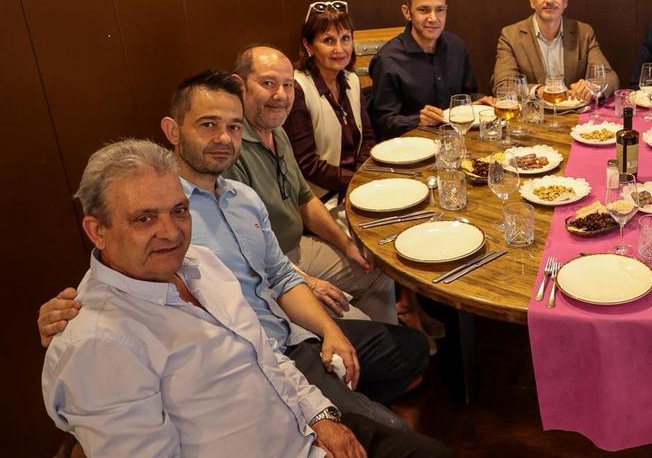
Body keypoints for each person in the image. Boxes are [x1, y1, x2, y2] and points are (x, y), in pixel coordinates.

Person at [43, 139, 453, 458]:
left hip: (298, 444)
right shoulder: (98, 344)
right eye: (144, 218)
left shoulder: (201, 265)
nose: (171, 232)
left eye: (179, 210)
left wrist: (321, 416)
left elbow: (267, 356)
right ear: (97, 230)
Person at [39, 71, 427, 431]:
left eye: (234, 127)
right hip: (256, 361)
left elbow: (280, 275)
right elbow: (119, 278)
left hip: (292, 331)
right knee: (399, 437)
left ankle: (349, 411)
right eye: (208, 125)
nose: (224, 138)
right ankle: (346, 423)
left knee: (412, 349)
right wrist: (65, 316)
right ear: (173, 130)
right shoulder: (167, 223)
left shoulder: (243, 197)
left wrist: (329, 331)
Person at [230, 46, 408, 329]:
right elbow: (247, 251)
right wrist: (306, 282)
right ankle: (371, 343)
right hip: (269, 272)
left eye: (287, 85)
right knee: (360, 325)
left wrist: (346, 244)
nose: (281, 95)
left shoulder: (277, 132)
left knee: (378, 269)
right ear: (239, 85)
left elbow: (305, 199)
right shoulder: (231, 149)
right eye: (268, 83)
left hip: (297, 248)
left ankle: (392, 348)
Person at [369, 0, 491, 137]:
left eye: (439, 10)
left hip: (458, 139)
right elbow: (382, 123)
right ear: (407, 12)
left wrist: (480, 101)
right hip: (413, 144)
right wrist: (418, 120)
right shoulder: (387, 59)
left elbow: (468, 94)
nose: (433, 18)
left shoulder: (456, 46)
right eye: (424, 10)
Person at [284, 1, 376, 205]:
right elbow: (306, 164)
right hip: (320, 201)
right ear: (308, 45)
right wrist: (355, 182)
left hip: (356, 188)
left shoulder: (351, 79)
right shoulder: (297, 89)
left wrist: (363, 177)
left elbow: (367, 137)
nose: (340, 49)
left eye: (345, 38)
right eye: (328, 40)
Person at [492, 0, 620, 100]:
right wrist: (539, 91)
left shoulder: (584, 33)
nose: (549, 0)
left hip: (576, 111)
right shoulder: (510, 36)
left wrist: (593, 87)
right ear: (531, 1)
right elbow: (503, 86)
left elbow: (610, 77)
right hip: (535, 112)